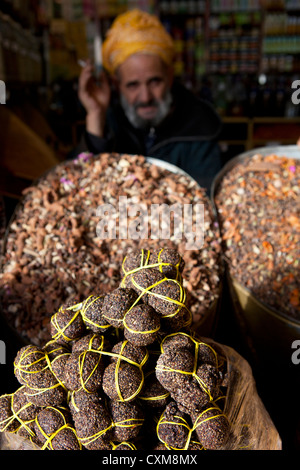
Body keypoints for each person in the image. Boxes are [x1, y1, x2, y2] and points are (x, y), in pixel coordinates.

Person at [73, 8, 223, 190]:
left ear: (169, 76)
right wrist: (95, 116)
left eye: (154, 82)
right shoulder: (108, 124)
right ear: (116, 84)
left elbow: (206, 201)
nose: (145, 97)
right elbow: (77, 188)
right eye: (133, 85)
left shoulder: (200, 126)